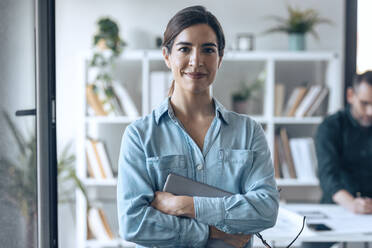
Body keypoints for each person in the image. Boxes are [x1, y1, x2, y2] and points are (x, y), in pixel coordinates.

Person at [117, 6, 279, 248]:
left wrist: (184, 206)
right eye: (184, 49)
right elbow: (134, 223)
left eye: (208, 50)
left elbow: (266, 210)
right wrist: (214, 232)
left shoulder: (248, 131)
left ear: (220, 58)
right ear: (166, 56)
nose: (196, 61)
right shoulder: (139, 135)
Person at [316, 70, 372, 214]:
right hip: (337, 208)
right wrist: (352, 204)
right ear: (350, 95)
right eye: (364, 103)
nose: (370, 111)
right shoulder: (330, 126)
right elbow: (328, 176)